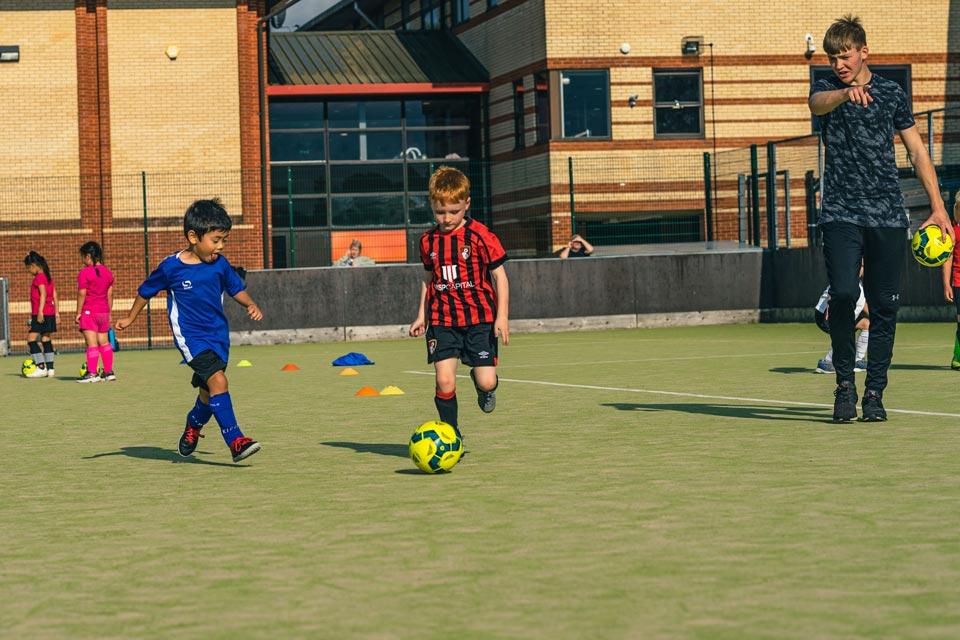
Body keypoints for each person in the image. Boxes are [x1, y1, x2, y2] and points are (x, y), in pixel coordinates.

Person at [809, 15, 952, 422]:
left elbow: (916, 151)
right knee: (842, 294)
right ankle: (843, 386)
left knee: (885, 307)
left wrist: (938, 206)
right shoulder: (825, 89)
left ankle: (873, 393)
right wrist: (844, 94)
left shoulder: (892, 93)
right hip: (840, 213)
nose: (839, 63)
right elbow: (816, 104)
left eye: (846, 56)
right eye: (833, 57)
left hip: (888, 215)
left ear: (863, 52)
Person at [114, 198, 264, 463]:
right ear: (193, 236)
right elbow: (145, 292)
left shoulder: (219, 264)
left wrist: (249, 303)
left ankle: (192, 427)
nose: (220, 247)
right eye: (216, 240)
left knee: (208, 393)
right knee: (219, 381)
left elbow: (235, 288)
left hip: (218, 337)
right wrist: (129, 318)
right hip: (191, 339)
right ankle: (236, 441)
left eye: (224, 240)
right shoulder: (171, 267)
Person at [408, 166, 510, 441]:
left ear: (467, 204)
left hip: (480, 320)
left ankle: (484, 388)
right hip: (443, 322)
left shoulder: (480, 235)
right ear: (431, 206)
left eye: (454, 211)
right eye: (440, 212)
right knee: (444, 380)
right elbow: (428, 279)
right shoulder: (428, 240)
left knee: (487, 379)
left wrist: (502, 317)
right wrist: (422, 315)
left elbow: (500, 277)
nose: (447, 218)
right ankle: (452, 433)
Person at [75, 241, 116, 383]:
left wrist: (78, 312)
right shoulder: (108, 273)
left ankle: (92, 374)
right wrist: (108, 312)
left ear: (88, 256)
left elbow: (82, 294)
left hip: (89, 311)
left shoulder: (84, 273)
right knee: (104, 342)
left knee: (92, 344)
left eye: (82, 257)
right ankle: (108, 372)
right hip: (104, 311)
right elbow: (110, 295)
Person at [814, 282, 869, 374]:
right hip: (825, 314)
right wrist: (830, 305)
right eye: (862, 266)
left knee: (867, 324)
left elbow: (863, 304)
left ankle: (858, 361)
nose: (862, 269)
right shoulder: (847, 276)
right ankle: (826, 363)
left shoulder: (859, 284)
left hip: (846, 315)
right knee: (845, 332)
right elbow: (836, 289)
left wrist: (878, 320)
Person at [23, 251, 59, 378]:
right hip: (50, 312)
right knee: (45, 338)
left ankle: (40, 367)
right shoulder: (49, 277)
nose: (29, 271)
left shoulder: (39, 278)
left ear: (33, 265)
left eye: (28, 268)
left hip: (41, 313)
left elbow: (43, 294)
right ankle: (50, 368)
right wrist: (57, 312)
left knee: (31, 339)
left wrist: (39, 312)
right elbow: (54, 295)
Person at [942, 200, 960, 370]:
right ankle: (958, 357)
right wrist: (947, 284)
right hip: (959, 281)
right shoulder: (952, 232)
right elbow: (947, 260)